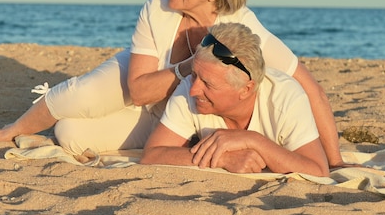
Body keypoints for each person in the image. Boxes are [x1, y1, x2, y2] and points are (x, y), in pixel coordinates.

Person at [0, 0, 345, 167]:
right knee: (83, 95)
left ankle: (177, 139)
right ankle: (8, 130)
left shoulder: (243, 28)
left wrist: (336, 161)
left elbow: (311, 89)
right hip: (146, 82)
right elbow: (141, 90)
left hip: (175, 108)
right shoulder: (158, 8)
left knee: (70, 134)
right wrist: (188, 67)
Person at [141, 22, 329, 177]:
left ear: (246, 89)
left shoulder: (285, 97)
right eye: (194, 74)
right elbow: (152, 155)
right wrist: (222, 159)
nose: (194, 90)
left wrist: (253, 140)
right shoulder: (190, 86)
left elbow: (319, 171)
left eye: (208, 83)